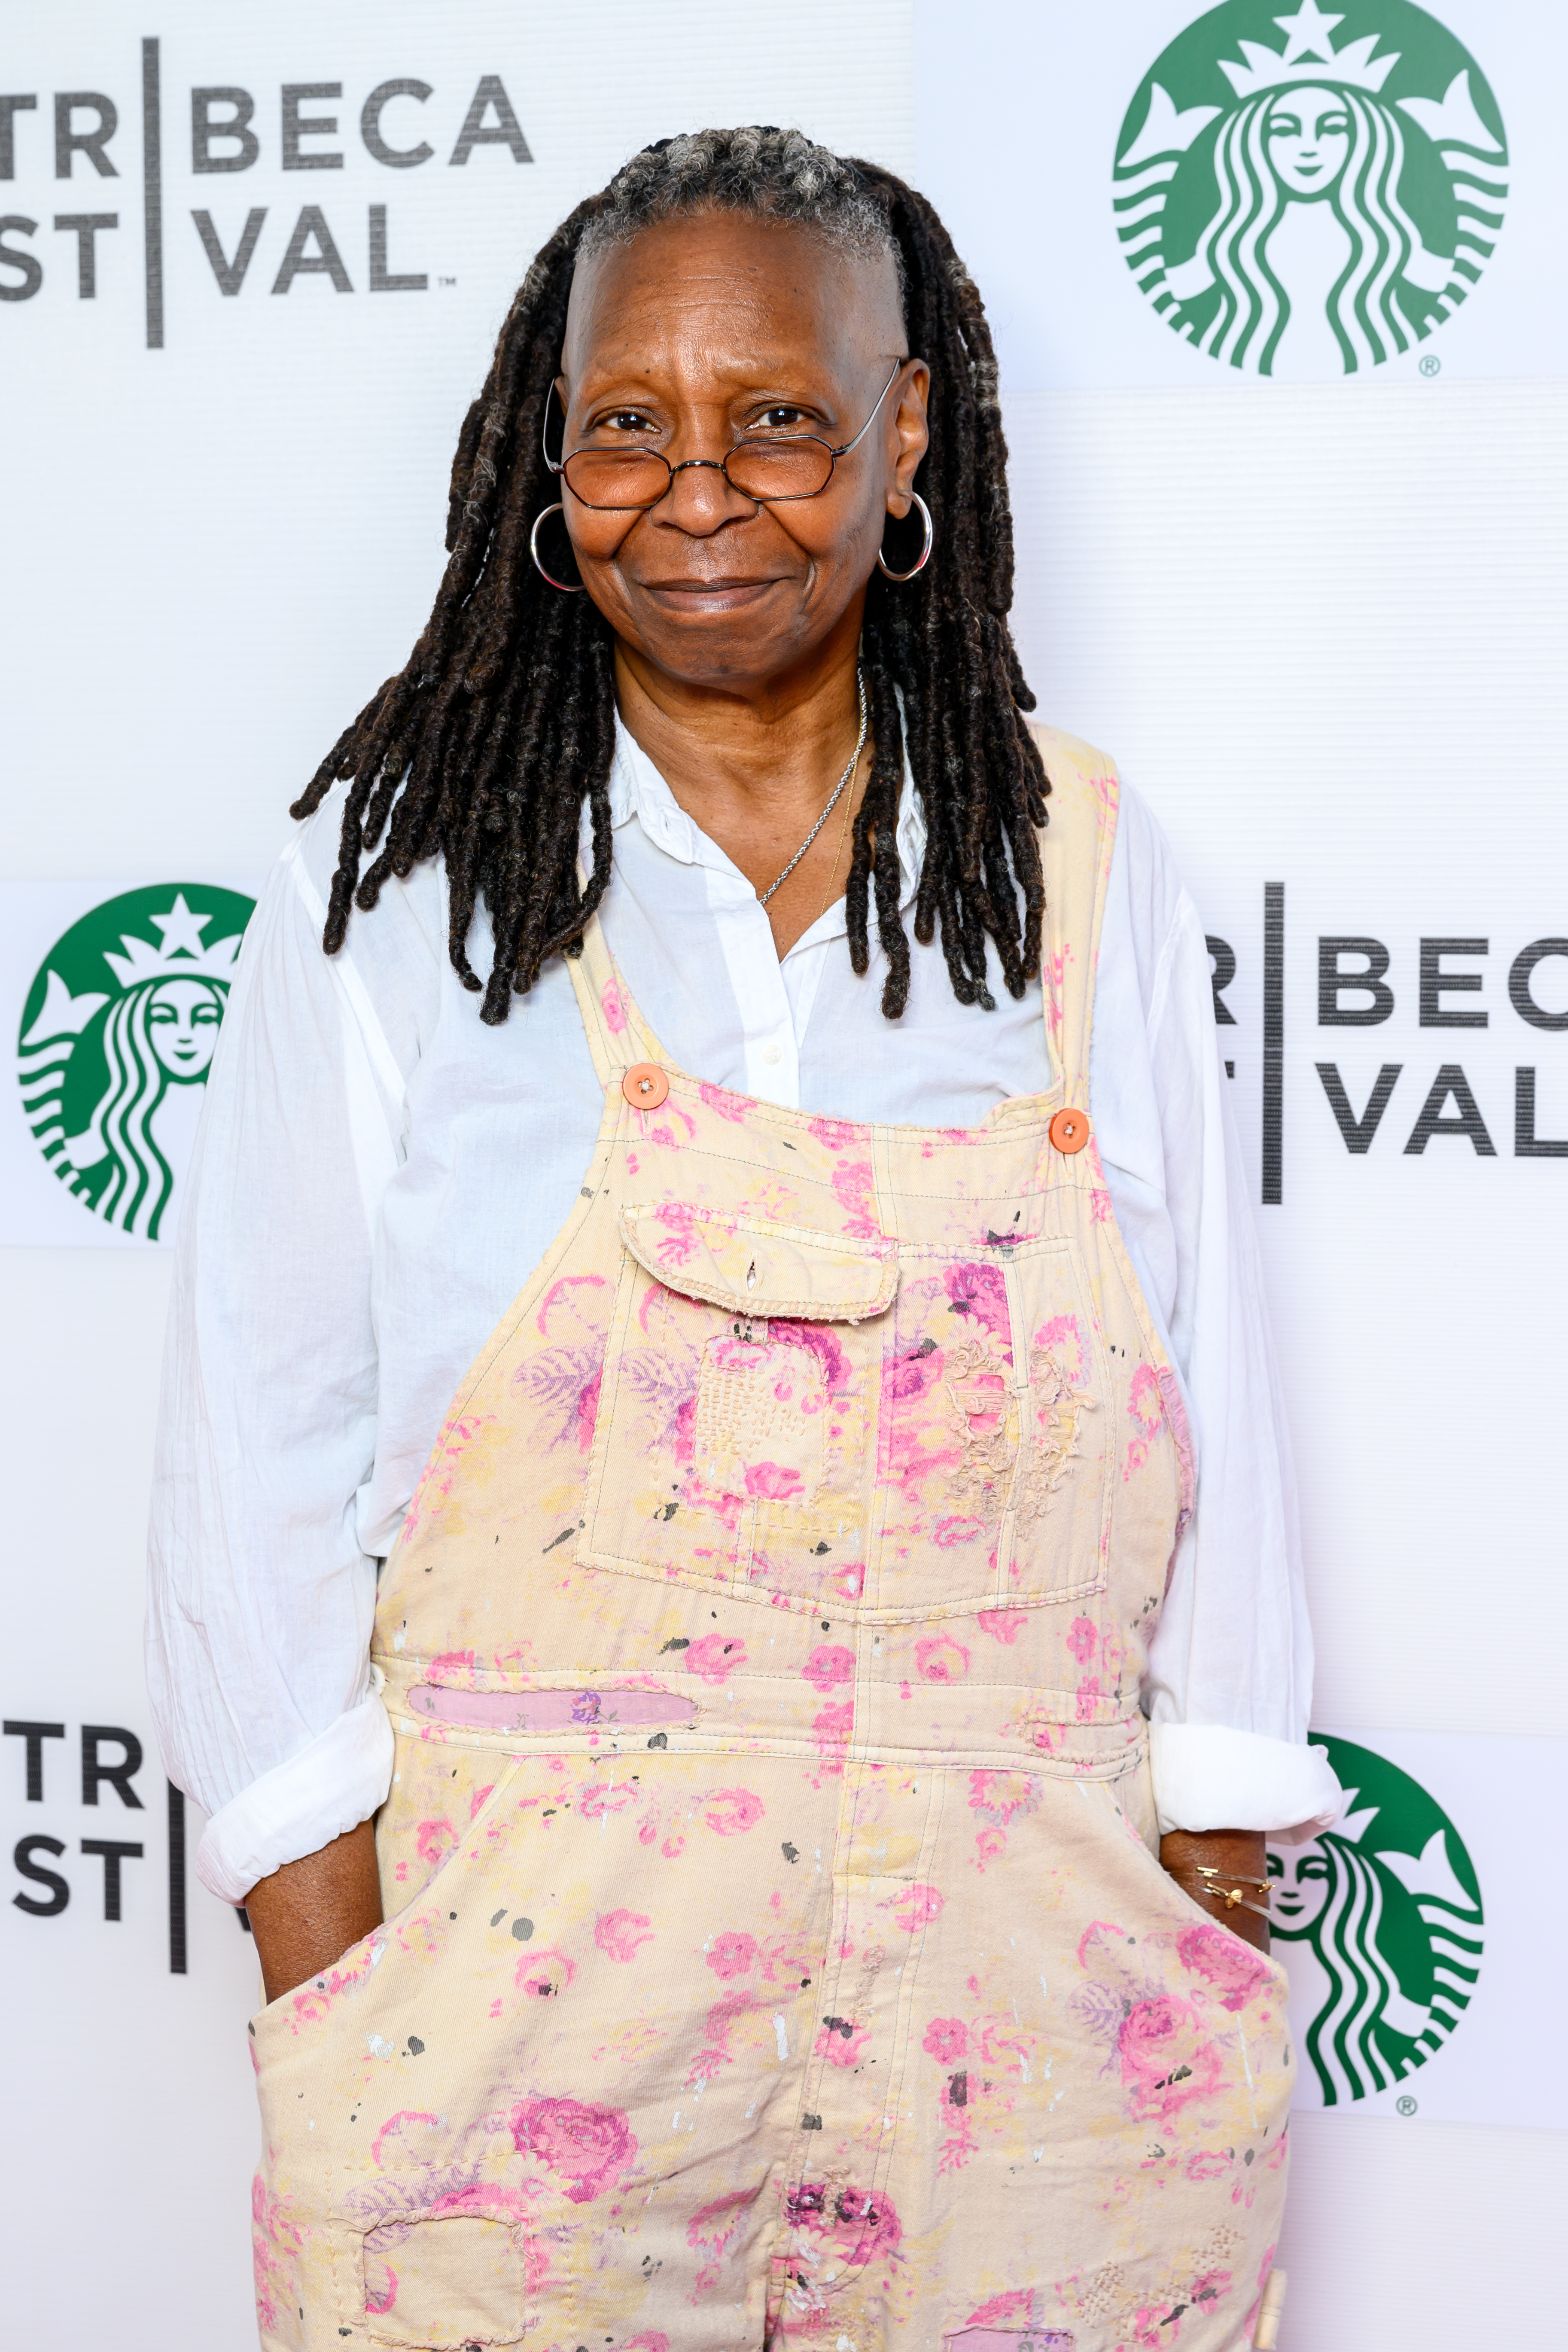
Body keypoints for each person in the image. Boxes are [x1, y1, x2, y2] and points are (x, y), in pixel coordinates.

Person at [148, 126, 1342, 2352]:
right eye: (628, 426)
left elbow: (1220, 1416)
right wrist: (348, 1969)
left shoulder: (1078, 859)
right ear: (548, 451)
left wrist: (1204, 1889)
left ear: (902, 434)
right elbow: (258, 1432)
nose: (698, 490)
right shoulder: (410, 887)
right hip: (520, 2043)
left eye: (775, 416)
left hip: (1040, 2021)